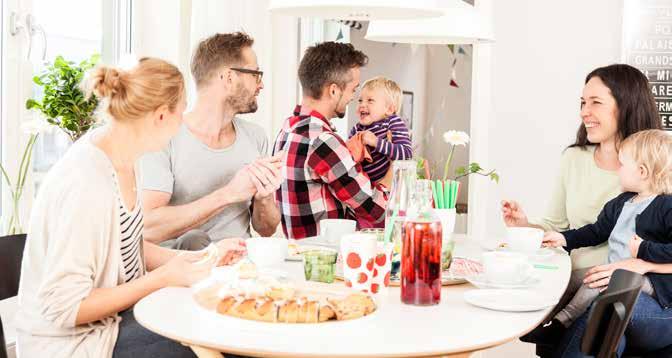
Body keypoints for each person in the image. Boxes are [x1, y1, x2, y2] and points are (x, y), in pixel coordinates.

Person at [14, 58, 246, 358]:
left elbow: (127, 246)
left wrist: (203, 259)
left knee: (218, 322)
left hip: (111, 323)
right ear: (161, 116)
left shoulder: (125, 159)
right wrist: (163, 278)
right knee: (211, 342)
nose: (184, 122)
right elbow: (65, 307)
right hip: (71, 343)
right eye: (182, 110)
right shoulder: (87, 182)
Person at [502, 64, 662, 269]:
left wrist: (642, 268)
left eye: (596, 102)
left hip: (625, 286)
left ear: (627, 106)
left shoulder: (659, 168)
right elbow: (555, 228)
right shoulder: (574, 158)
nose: (584, 112)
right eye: (583, 103)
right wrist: (525, 226)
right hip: (571, 277)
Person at [141, 32, 282, 251]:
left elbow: (266, 229)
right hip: (185, 270)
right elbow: (148, 227)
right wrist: (229, 193)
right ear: (229, 78)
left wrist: (264, 197)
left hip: (242, 270)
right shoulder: (165, 137)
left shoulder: (256, 137)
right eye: (256, 74)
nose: (261, 84)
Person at [534, 130, 672, 341]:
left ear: (642, 172)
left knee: (594, 283)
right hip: (612, 267)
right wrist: (565, 238)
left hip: (647, 279)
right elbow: (596, 231)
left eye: (623, 164)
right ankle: (541, 319)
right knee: (570, 278)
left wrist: (644, 250)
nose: (618, 169)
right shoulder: (622, 202)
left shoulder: (666, 206)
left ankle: (561, 323)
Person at [273, 42, 390, 239]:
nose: (353, 97)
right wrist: (395, 169)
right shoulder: (323, 140)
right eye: (353, 90)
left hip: (300, 255)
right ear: (334, 90)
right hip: (326, 257)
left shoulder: (288, 129)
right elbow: (376, 210)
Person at [348, 76, 413, 184]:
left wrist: (375, 142)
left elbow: (406, 154)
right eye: (360, 100)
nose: (362, 105)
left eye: (370, 100)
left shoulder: (392, 122)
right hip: (369, 189)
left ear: (389, 109)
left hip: (393, 188)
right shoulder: (357, 129)